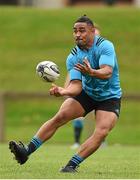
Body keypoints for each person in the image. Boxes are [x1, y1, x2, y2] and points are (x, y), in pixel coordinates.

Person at [9, 15, 122, 173]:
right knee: (60, 116)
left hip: (109, 97)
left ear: (92, 31)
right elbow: (76, 85)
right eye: (75, 31)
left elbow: (107, 72)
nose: (77, 34)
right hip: (87, 93)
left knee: (101, 131)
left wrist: (91, 72)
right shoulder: (74, 55)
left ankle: (71, 165)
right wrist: (63, 91)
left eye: (82, 31)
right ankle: (26, 152)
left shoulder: (105, 46)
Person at [70, 25, 101, 150]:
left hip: (99, 91)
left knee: (100, 116)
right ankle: (77, 141)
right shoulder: (78, 54)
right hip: (83, 89)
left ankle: (100, 140)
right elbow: (72, 73)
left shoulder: (103, 52)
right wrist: (67, 89)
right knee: (77, 116)